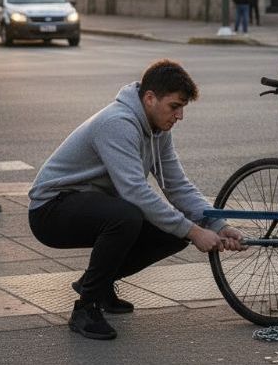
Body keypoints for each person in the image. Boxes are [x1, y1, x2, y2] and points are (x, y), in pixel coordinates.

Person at [28, 60, 244, 340]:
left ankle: (97, 285)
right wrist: (194, 231)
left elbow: (177, 186)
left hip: (91, 204)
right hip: (51, 209)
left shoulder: (158, 130)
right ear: (150, 98)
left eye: (182, 108)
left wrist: (215, 225)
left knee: (174, 230)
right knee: (127, 215)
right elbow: (135, 192)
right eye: (175, 106)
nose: (179, 116)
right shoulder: (117, 123)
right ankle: (85, 308)